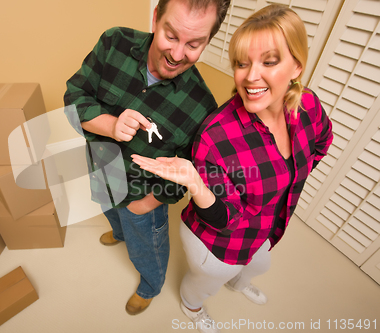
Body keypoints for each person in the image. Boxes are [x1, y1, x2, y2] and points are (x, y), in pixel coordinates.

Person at [132, 4, 333, 332]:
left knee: (259, 265)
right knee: (206, 282)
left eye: (269, 61)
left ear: (296, 65)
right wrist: (196, 184)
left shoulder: (306, 103)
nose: (250, 76)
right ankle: (192, 307)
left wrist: (285, 179)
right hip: (217, 243)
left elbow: (323, 140)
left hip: (265, 228)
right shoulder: (217, 135)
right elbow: (224, 218)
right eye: (242, 63)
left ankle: (239, 284)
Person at [63, 0, 231, 315]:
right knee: (110, 212)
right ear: (156, 18)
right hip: (102, 171)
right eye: (171, 36)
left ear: (207, 42)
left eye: (194, 44)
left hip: (143, 196)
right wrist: (111, 126)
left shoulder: (204, 107)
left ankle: (150, 285)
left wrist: (146, 204)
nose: (178, 55)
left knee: (147, 250)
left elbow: (189, 173)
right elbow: (74, 98)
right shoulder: (114, 42)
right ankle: (119, 232)